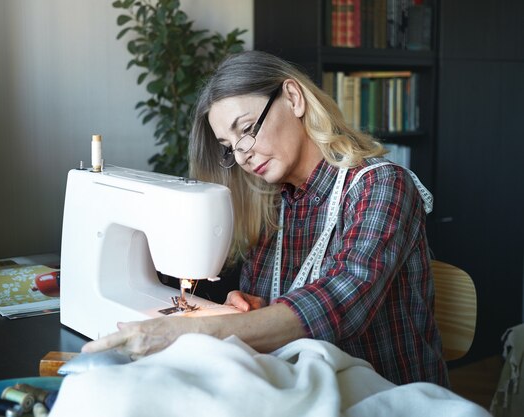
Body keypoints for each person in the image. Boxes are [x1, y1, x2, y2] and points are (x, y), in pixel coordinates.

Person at [82, 50, 448, 387]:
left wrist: (187, 333)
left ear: (293, 97)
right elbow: (272, 306)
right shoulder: (273, 202)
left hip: (386, 396)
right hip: (304, 387)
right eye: (228, 146)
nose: (241, 155)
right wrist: (254, 307)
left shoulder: (381, 184)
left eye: (246, 129)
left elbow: (342, 301)